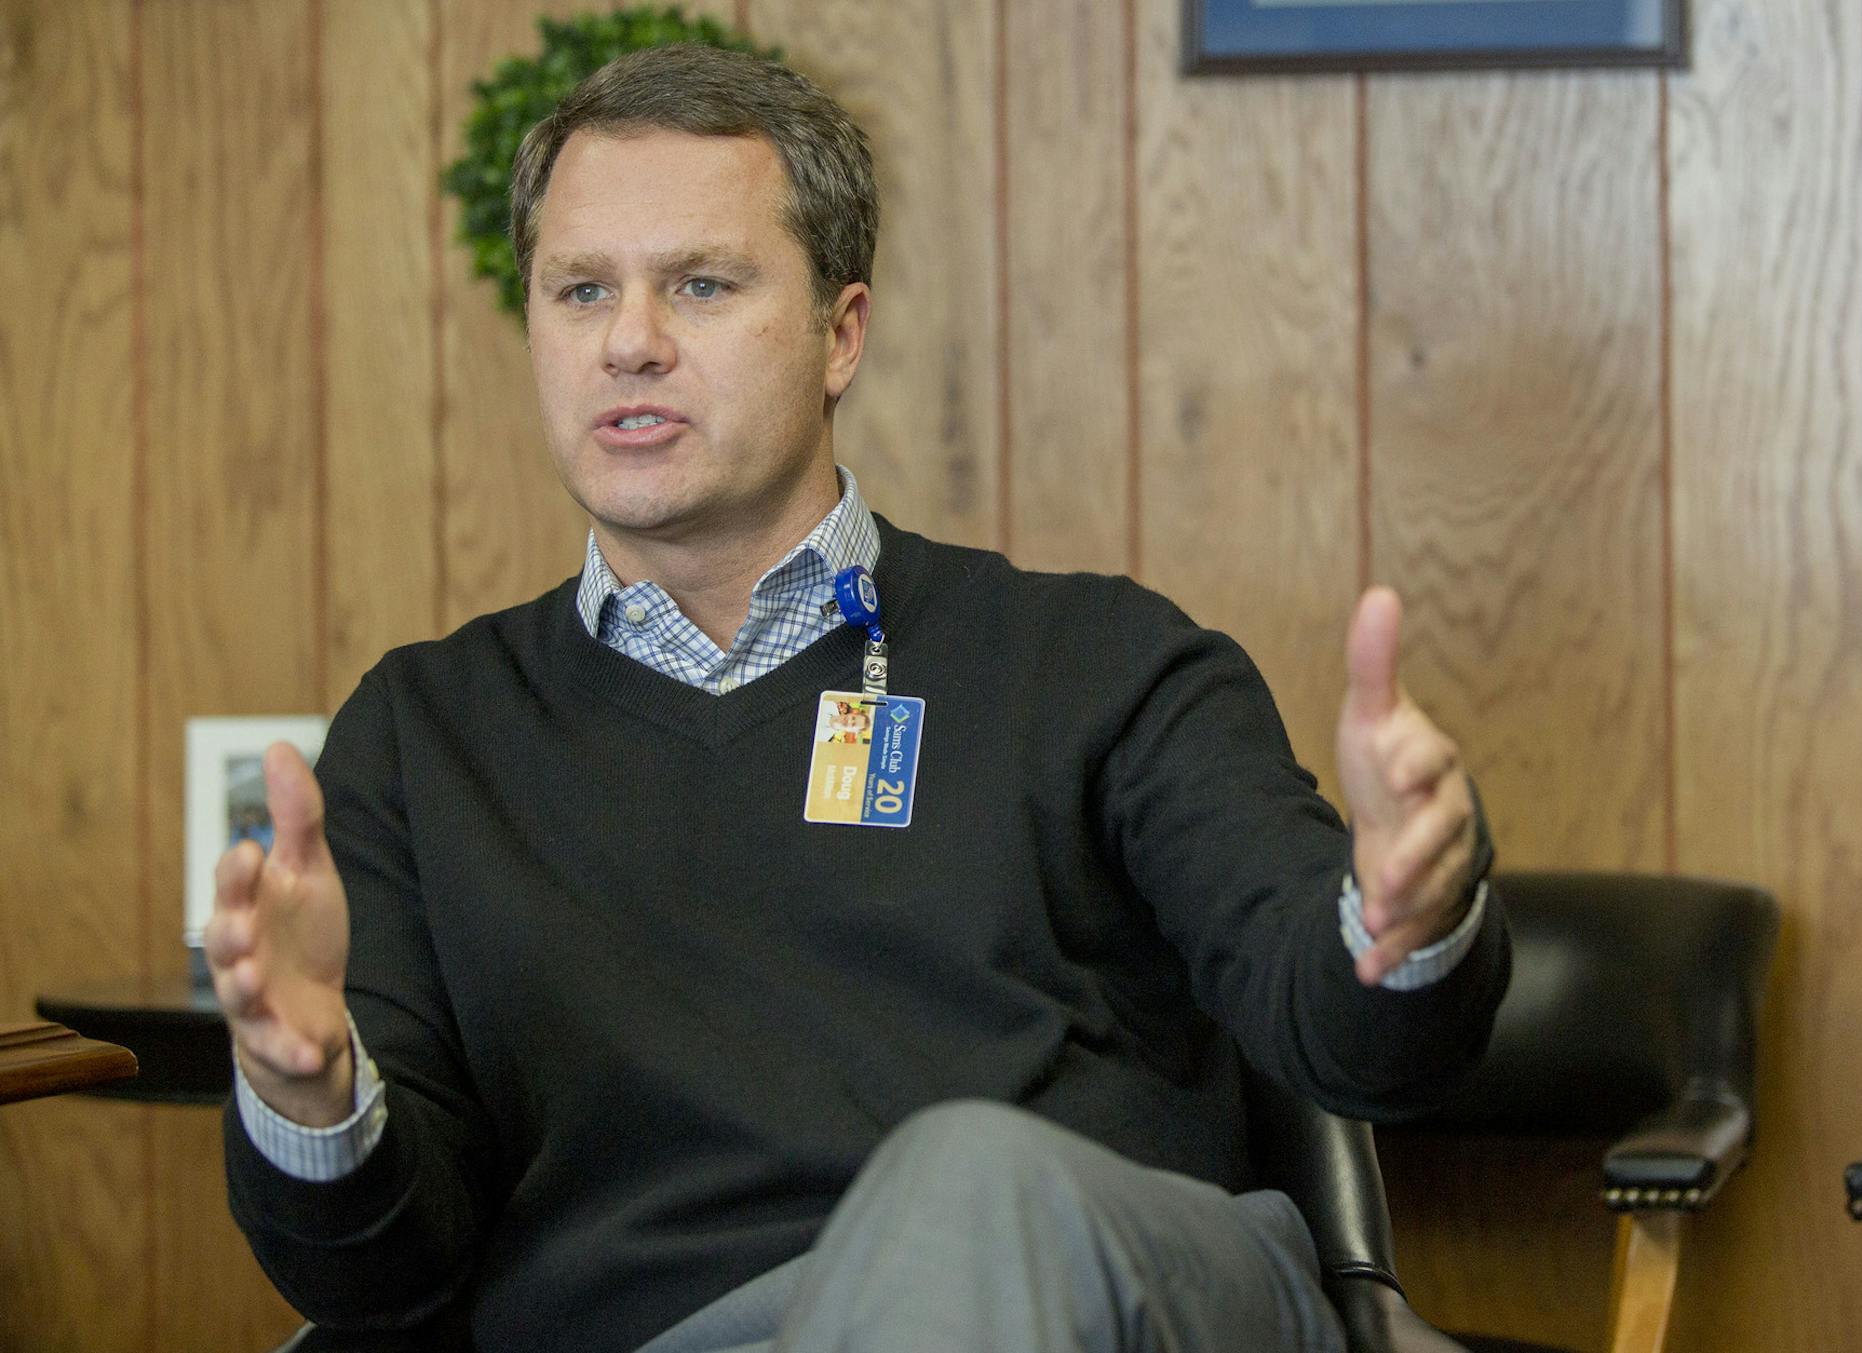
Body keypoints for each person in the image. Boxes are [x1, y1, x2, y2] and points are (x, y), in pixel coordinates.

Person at [207, 44, 1509, 1353]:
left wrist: (1408, 913)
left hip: (1097, 1295)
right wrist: (308, 1090)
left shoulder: (1092, 659)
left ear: (842, 331)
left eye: (701, 285)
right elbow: (379, 1281)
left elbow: (1346, 1034)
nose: (630, 342)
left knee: (968, 1185)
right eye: (581, 289)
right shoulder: (424, 736)